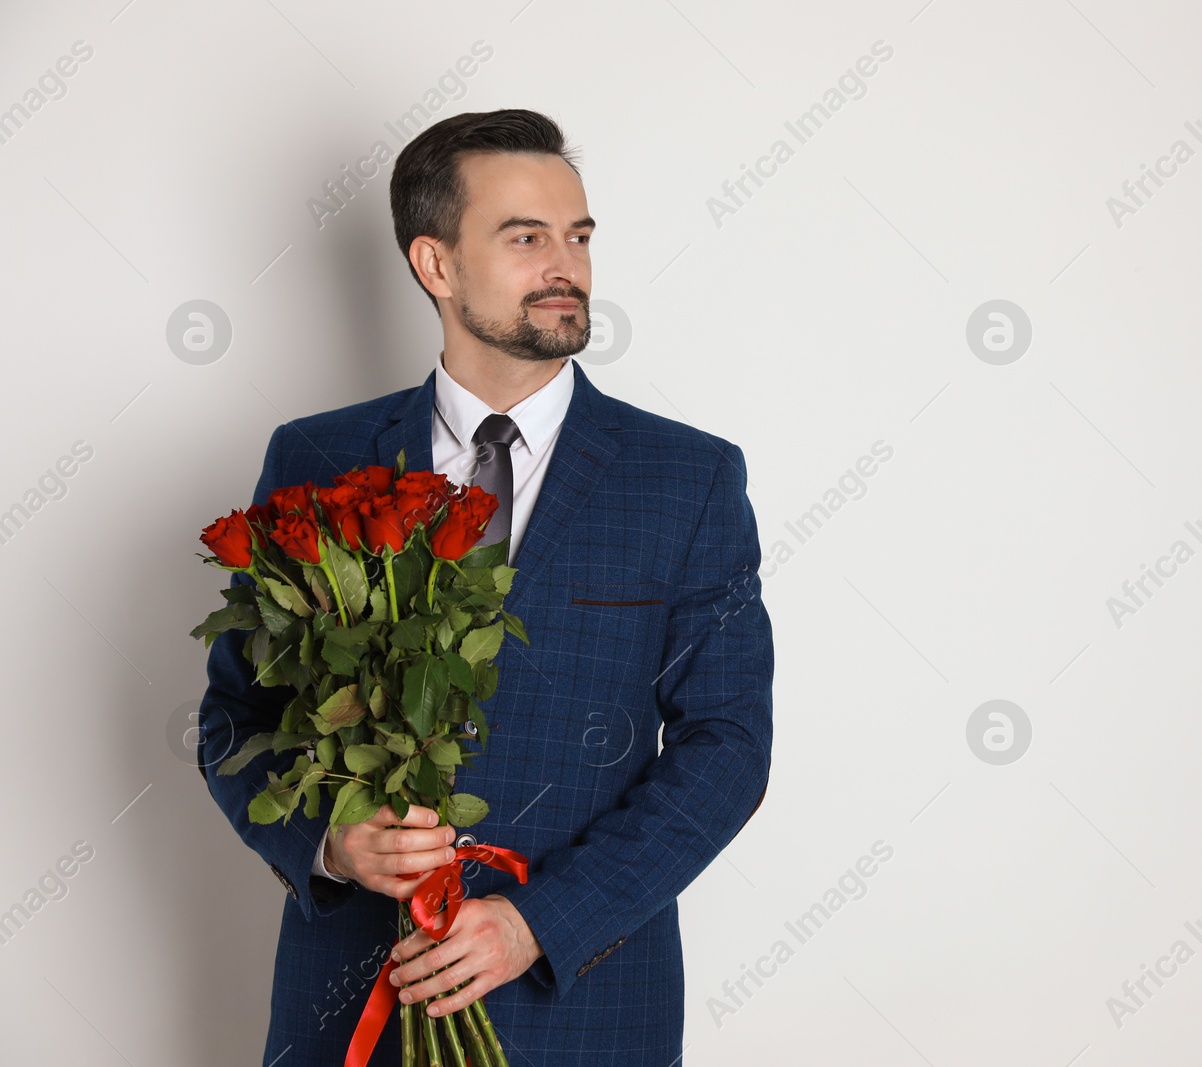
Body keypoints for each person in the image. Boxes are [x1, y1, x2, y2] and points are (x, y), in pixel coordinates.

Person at [197, 108, 774, 1065]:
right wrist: (332, 845)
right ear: (434, 263)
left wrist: (535, 922)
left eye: (579, 236)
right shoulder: (314, 459)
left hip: (586, 1007)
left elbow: (728, 747)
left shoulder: (686, 476)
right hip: (350, 1003)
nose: (568, 266)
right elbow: (234, 716)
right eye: (526, 237)